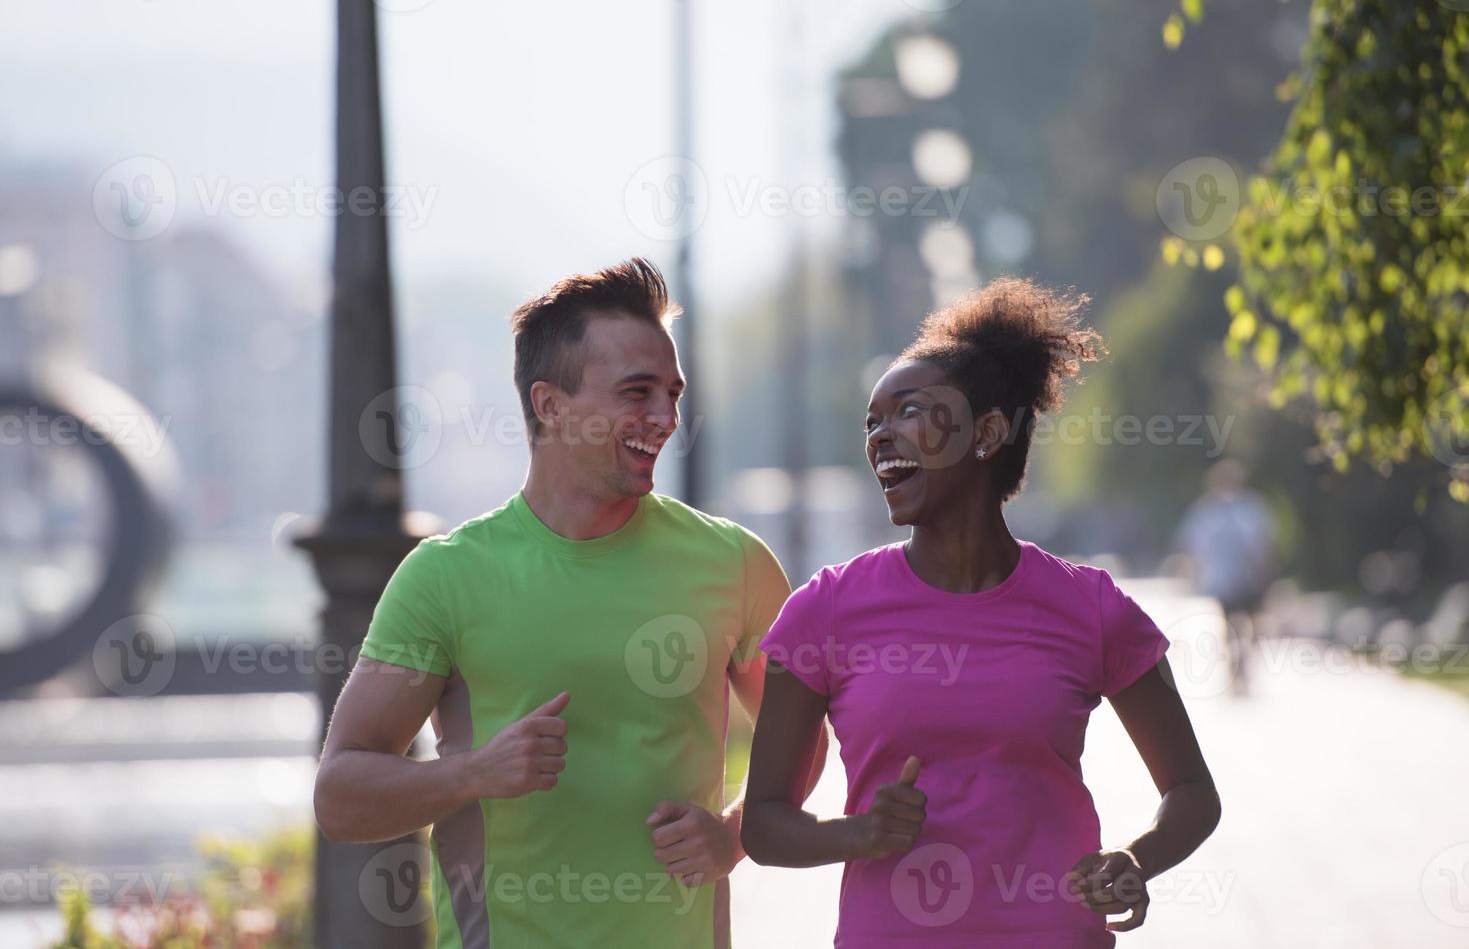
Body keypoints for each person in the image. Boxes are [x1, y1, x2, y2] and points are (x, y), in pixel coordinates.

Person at [313, 258, 824, 948]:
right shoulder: (446, 577)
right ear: (550, 404)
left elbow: (802, 735)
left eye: (671, 393)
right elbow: (340, 797)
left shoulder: (732, 561)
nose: (666, 417)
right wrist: (472, 773)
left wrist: (733, 836)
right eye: (636, 393)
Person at [741, 278, 1221, 947]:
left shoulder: (1092, 609)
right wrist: (857, 833)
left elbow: (1192, 791)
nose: (881, 436)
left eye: (907, 411)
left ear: (986, 433)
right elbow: (762, 823)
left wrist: (1135, 860)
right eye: (871, 421)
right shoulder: (823, 610)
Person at [1176, 458, 1276, 695]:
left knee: (1252, 626)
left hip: (1248, 579)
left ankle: (1244, 664)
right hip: (1223, 581)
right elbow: (1192, 547)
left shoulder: (1249, 507)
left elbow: (1263, 543)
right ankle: (1235, 667)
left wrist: (1265, 570)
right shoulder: (1205, 512)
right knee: (1231, 625)